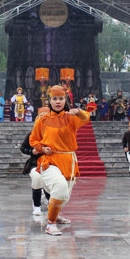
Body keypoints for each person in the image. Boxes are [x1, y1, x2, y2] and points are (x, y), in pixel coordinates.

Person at [29, 85, 89, 236]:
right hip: (49, 160)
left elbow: (86, 118)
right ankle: (50, 224)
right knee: (60, 186)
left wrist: (79, 112)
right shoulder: (42, 120)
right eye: (54, 98)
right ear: (49, 100)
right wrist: (42, 148)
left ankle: (56, 214)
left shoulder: (70, 118)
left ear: (65, 100)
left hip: (68, 160)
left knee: (64, 196)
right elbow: (33, 140)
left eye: (61, 98)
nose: (58, 101)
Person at [20, 108, 51, 216]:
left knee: (50, 182)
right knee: (37, 178)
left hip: (51, 163)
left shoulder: (54, 134)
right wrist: (32, 151)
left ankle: (49, 200)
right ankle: (37, 205)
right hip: (35, 163)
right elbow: (23, 148)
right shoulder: (31, 134)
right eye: (41, 117)